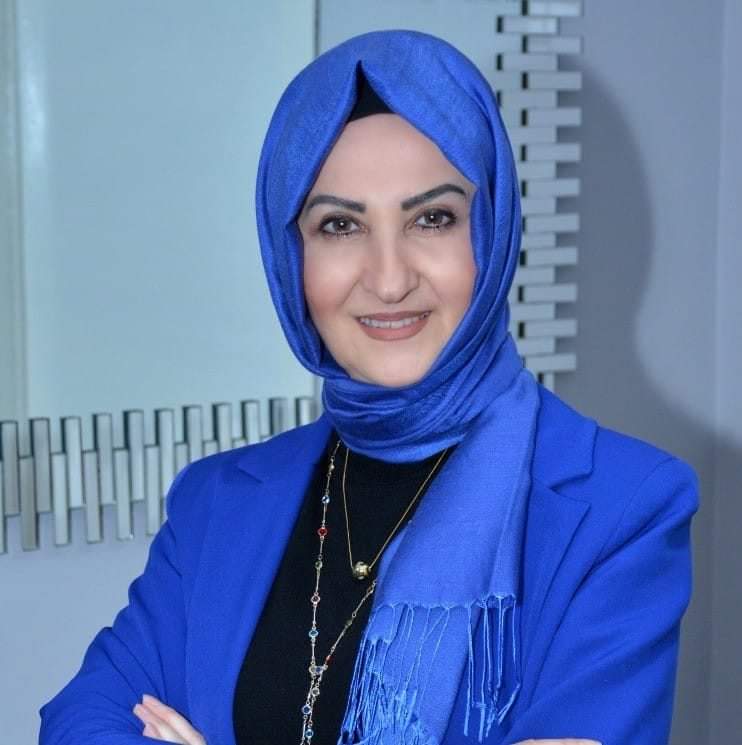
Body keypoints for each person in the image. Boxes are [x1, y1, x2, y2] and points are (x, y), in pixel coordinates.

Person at [38, 29, 698, 745]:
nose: (388, 279)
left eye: (433, 218)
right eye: (340, 225)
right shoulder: (216, 502)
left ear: (492, 232)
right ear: (291, 257)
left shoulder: (624, 509)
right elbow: (81, 720)